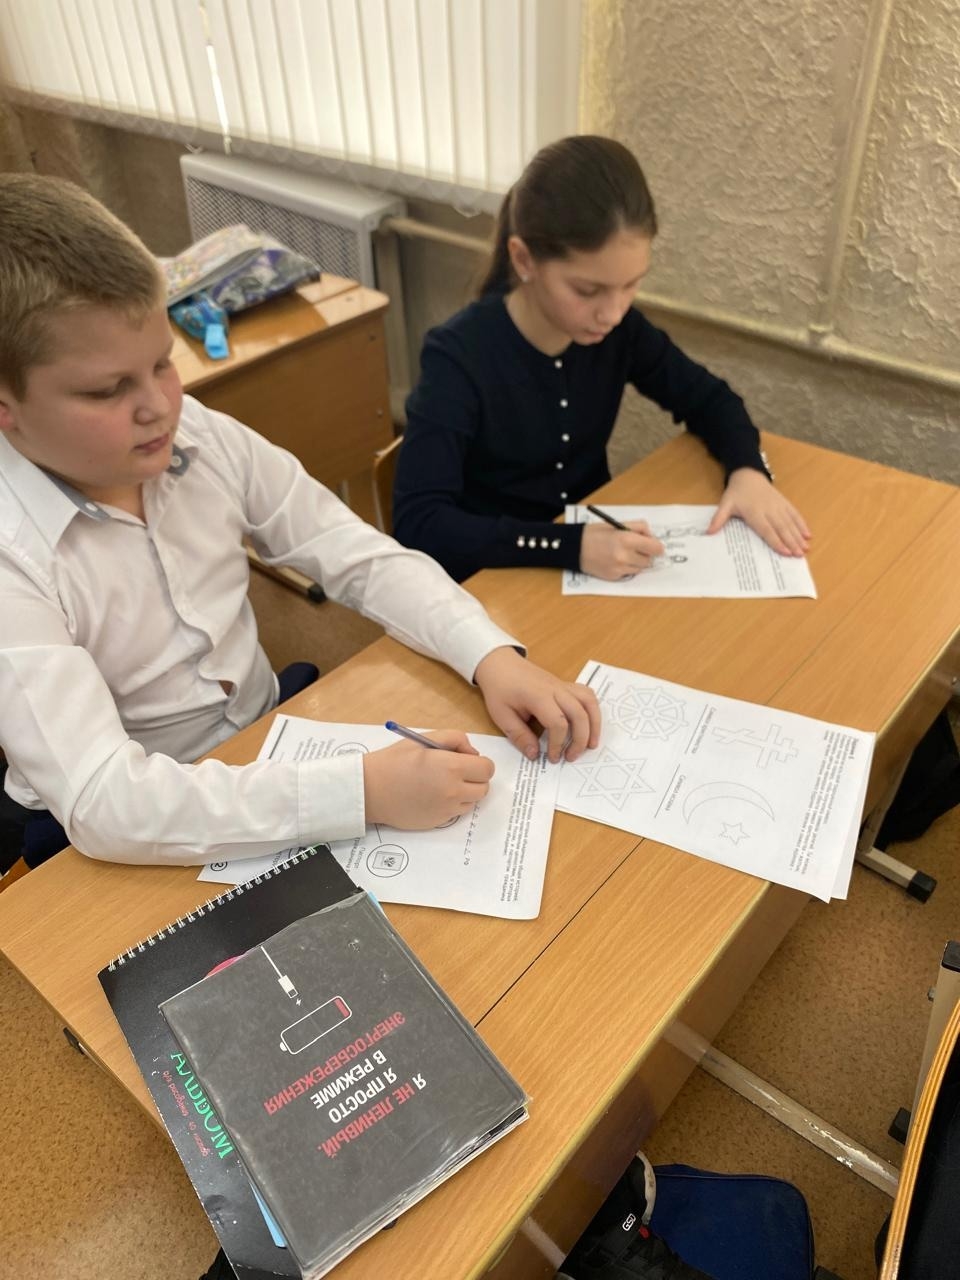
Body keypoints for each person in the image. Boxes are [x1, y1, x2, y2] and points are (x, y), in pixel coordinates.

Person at [0, 173, 600, 869]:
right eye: (109, 389)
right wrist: (359, 792)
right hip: (135, 826)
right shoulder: (13, 556)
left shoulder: (199, 434)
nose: (160, 406)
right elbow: (106, 802)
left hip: (265, 743)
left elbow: (351, 551)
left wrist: (488, 655)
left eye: (163, 362)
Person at [393, 135, 811, 584]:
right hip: (494, 580)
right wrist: (567, 545)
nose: (612, 313)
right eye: (587, 290)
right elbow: (420, 524)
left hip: (593, 570)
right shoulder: (459, 357)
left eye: (631, 285)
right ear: (524, 259)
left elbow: (710, 399)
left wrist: (748, 471)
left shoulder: (620, 331)